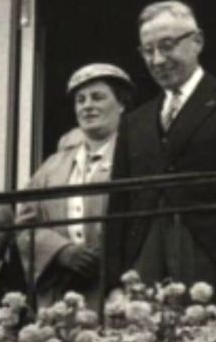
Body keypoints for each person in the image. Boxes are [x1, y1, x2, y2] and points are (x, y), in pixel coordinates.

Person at [105, 0, 216, 297]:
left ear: (197, 41)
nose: (157, 59)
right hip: (145, 261)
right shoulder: (134, 122)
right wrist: (113, 282)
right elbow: (119, 204)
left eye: (167, 45)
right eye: (148, 51)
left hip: (213, 256)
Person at [18, 63, 132, 311]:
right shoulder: (52, 165)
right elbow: (25, 225)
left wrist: (105, 252)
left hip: (118, 287)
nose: (87, 105)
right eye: (80, 100)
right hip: (63, 292)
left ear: (121, 105)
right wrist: (61, 251)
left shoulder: (136, 155)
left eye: (98, 97)